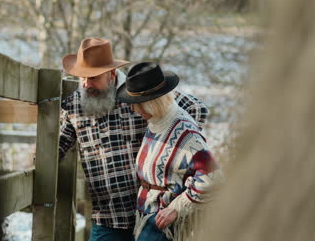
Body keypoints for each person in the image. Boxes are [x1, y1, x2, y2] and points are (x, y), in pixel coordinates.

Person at [59, 37, 209, 241]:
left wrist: (172, 150)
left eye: (93, 78)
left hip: (150, 213)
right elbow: (55, 147)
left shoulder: (139, 93)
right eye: (82, 77)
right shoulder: (73, 105)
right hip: (108, 216)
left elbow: (197, 108)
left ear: (111, 74)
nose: (86, 84)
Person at [116, 62, 223, 241]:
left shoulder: (186, 133)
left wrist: (175, 209)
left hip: (163, 224)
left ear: (151, 103)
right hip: (147, 217)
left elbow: (212, 177)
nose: (133, 109)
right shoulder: (157, 121)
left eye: (137, 104)